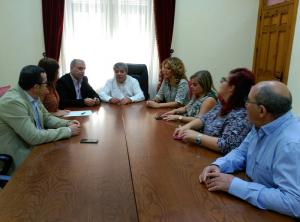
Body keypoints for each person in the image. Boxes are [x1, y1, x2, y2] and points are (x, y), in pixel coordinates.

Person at [199, 81, 300, 218]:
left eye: (248, 100)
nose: (245, 105)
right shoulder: (263, 123)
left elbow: (294, 203)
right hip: (253, 201)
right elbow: (242, 152)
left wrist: (233, 185)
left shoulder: (291, 144)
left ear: (261, 110)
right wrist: (219, 165)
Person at [0, 65, 81, 171]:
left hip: (37, 148)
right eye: (45, 84)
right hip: (21, 158)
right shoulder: (13, 102)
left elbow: (46, 117)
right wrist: (68, 131)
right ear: (36, 87)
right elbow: (33, 137)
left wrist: (66, 123)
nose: (47, 89)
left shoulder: (32, 94)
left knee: (70, 161)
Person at [174, 68, 255, 154]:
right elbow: (203, 119)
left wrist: (197, 137)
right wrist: (187, 127)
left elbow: (226, 145)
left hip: (217, 161)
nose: (221, 82)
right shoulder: (222, 105)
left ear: (232, 87)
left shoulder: (242, 114)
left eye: (224, 80)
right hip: (203, 152)